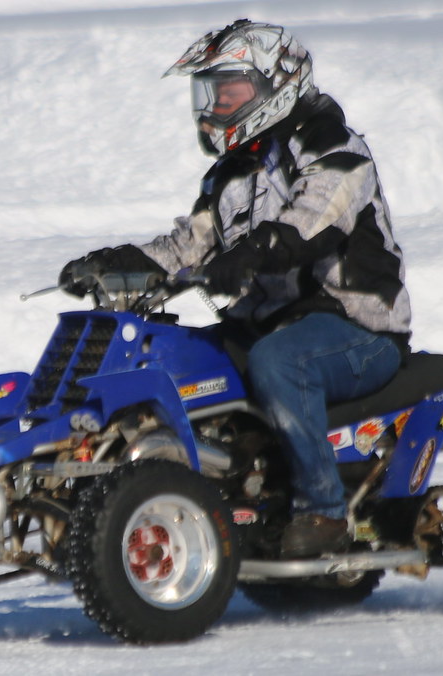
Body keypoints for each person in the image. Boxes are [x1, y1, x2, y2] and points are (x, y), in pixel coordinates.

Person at [60, 19, 411, 559]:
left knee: (277, 362)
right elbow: (187, 248)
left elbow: (315, 219)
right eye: (211, 94)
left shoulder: (334, 145)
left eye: (231, 91)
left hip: (356, 329)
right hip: (267, 322)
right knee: (169, 360)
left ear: (276, 83)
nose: (216, 106)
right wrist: (116, 263)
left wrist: (252, 254)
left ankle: (323, 511)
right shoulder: (230, 173)